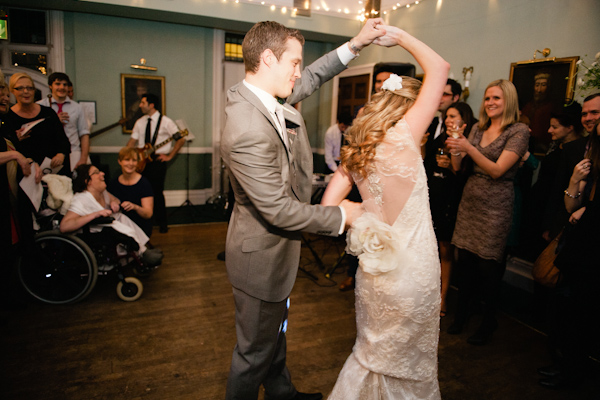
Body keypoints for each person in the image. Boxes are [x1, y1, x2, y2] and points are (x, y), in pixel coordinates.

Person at [220, 19, 383, 400]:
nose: (299, 72)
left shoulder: (268, 95)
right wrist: (343, 215)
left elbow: (313, 77)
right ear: (267, 58)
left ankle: (283, 395)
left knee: (274, 339)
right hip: (259, 260)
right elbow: (277, 210)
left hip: (275, 255)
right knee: (251, 355)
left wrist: (356, 43)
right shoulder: (245, 126)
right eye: (293, 63)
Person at [321, 25, 450, 398]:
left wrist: (366, 213)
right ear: (411, 108)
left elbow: (329, 209)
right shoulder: (406, 136)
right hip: (414, 275)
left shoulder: (355, 148)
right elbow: (439, 68)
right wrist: (399, 35)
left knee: (370, 354)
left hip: (375, 274)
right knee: (410, 363)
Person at [445, 79, 530, 345]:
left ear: (509, 101)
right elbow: (458, 168)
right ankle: (462, 315)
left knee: (489, 268)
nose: (490, 103)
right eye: (487, 98)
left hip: (497, 203)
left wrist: (469, 147)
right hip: (471, 201)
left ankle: (488, 322)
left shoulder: (518, 131)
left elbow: (497, 170)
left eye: (496, 98)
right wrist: (457, 144)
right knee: (466, 262)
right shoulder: (479, 128)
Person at [538, 121, 600, 389]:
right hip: (581, 245)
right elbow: (571, 205)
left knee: (585, 314)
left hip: (594, 248)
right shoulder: (591, 163)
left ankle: (575, 373)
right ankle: (566, 367)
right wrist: (575, 179)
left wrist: (590, 211)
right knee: (570, 311)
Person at [60, 164, 162, 267]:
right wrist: (94, 214)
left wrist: (114, 202)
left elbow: (115, 199)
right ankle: (140, 252)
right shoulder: (81, 200)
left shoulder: (102, 192)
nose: (102, 173)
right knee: (116, 225)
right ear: (88, 181)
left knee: (122, 217)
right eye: (96, 172)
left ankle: (142, 251)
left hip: (108, 226)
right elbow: (64, 226)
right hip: (95, 233)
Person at [429, 101, 475, 317]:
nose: (448, 120)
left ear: (464, 120)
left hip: (452, 201)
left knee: (446, 250)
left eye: (453, 116)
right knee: (431, 249)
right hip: (434, 200)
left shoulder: (467, 144)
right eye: (447, 116)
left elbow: (466, 175)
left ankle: (443, 298)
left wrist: (452, 169)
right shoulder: (439, 140)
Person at [127, 93, 184, 233]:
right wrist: (127, 156)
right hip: (141, 162)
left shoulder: (166, 122)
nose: (140, 105)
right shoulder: (140, 122)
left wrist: (170, 156)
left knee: (157, 192)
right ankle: (146, 221)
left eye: (143, 103)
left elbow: (180, 139)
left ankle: (162, 223)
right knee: (142, 191)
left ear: (151, 105)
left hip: (157, 161)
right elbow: (132, 142)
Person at [3, 73, 71, 175]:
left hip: (53, 170)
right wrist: (14, 139)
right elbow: (6, 147)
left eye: (30, 88)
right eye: (20, 88)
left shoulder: (48, 113)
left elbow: (63, 140)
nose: (26, 92)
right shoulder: (7, 116)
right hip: (26, 172)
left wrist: (61, 154)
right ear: (12, 91)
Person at [37, 72, 91, 170]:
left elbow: (84, 134)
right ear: (50, 86)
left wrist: (83, 159)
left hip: (73, 153)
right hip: (49, 154)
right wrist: (54, 121)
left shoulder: (77, 108)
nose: (62, 87)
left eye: (65, 85)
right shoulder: (40, 106)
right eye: (58, 84)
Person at [108, 147, 154, 238]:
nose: (131, 164)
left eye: (134, 160)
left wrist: (135, 207)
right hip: (120, 225)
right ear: (119, 161)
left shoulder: (144, 183)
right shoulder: (113, 184)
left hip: (139, 227)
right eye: (127, 160)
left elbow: (148, 214)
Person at [423, 79, 462, 174]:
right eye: (437, 94)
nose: (439, 98)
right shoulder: (431, 121)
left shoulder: (462, 125)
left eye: (445, 94)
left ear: (455, 97)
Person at [521, 69, 557, 153]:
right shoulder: (528, 106)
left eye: (543, 85)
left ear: (548, 87)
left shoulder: (551, 107)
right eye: (537, 85)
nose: (539, 90)